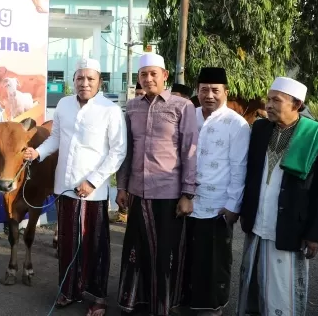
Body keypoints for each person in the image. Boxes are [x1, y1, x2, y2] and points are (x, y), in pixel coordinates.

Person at [24, 58, 127, 316]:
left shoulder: (109, 109)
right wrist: (36, 153)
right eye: (80, 78)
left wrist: (92, 181)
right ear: (74, 81)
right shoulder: (63, 105)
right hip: (65, 187)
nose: (84, 83)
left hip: (93, 192)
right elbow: (56, 138)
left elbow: (118, 151)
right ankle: (69, 290)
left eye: (90, 79)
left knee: (95, 245)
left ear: (99, 81)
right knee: (68, 243)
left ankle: (99, 297)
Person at [236, 77, 318, 316]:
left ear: (297, 104)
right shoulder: (260, 129)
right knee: (252, 284)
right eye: (268, 99)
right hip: (258, 221)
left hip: (290, 225)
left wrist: (315, 235)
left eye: (276, 100)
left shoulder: (317, 137)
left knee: (283, 293)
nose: (268, 105)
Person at [115, 53, 198, 316]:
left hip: (168, 193)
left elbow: (189, 151)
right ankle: (137, 302)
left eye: (154, 74)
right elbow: (127, 150)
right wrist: (121, 187)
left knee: (164, 254)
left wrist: (187, 193)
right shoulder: (132, 107)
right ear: (138, 78)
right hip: (138, 191)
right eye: (143, 74)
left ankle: (161, 306)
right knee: (136, 252)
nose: (148, 78)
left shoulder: (181, 107)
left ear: (165, 76)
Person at [178, 67, 250, 316]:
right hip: (187, 200)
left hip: (218, 204)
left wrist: (233, 204)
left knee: (214, 260)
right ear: (197, 91)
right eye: (204, 89)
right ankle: (185, 301)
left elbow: (239, 166)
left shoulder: (237, 124)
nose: (209, 95)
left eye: (215, 90)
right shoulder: (189, 115)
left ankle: (211, 307)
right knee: (186, 255)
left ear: (225, 92)